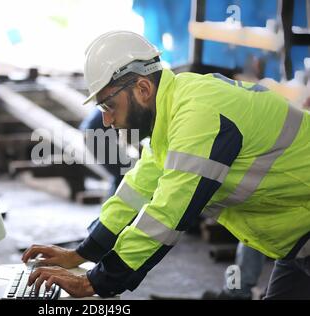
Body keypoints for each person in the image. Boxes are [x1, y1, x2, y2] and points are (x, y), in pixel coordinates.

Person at [22, 31, 310, 299]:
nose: (106, 121)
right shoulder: (174, 111)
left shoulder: (198, 113)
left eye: (109, 106)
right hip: (297, 245)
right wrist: (83, 253)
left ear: (143, 88)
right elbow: (135, 190)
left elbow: (167, 213)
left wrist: (94, 282)